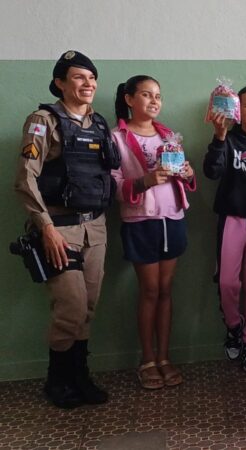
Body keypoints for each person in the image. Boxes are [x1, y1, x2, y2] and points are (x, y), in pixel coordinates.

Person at [13, 50, 119, 408]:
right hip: (59, 230)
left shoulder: (99, 124)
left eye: (92, 78)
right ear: (60, 82)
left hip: (96, 229)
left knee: (88, 308)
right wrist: (46, 229)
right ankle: (57, 380)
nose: (88, 84)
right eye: (78, 77)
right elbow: (25, 178)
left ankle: (79, 377)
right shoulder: (43, 121)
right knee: (71, 308)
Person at [112, 75, 197, 389]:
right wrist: (144, 182)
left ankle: (164, 357)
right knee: (149, 291)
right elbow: (113, 185)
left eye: (158, 96)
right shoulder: (116, 137)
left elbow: (182, 176)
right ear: (129, 99)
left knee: (165, 291)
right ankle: (146, 359)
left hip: (172, 219)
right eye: (146, 95)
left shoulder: (168, 136)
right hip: (141, 223)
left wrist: (187, 173)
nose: (154, 101)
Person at [204, 85, 246, 371]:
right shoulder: (228, 139)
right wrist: (219, 138)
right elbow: (211, 172)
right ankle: (233, 327)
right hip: (231, 219)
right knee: (228, 282)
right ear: (237, 109)